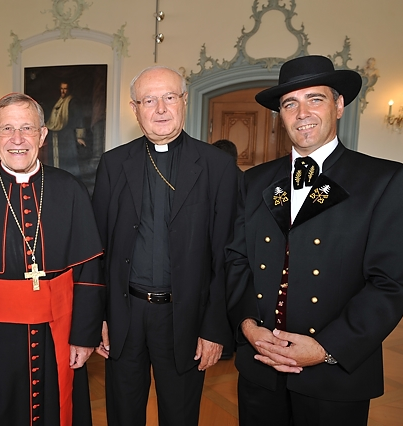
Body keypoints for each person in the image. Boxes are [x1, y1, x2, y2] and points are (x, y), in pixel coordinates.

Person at [225, 55, 403, 426]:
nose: (302, 114)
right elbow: (237, 260)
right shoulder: (255, 181)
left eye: (315, 99)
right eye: (290, 104)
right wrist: (248, 325)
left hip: (334, 373)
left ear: (339, 105)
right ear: (280, 115)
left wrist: (327, 348)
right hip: (261, 367)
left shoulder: (383, 180)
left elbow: (392, 281)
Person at [0, 93, 105, 426]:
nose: (17, 139)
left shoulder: (70, 189)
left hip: (57, 334)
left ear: (42, 135)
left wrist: (84, 334)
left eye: (27, 128)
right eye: (7, 129)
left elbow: (89, 271)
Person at [92, 66, 238, 426]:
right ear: (135, 108)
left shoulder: (218, 166)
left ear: (184, 101)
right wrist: (98, 317)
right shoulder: (113, 164)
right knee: (122, 415)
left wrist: (214, 328)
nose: (160, 108)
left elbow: (227, 256)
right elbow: (99, 249)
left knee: (180, 415)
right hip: (125, 315)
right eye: (149, 100)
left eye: (169, 97)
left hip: (185, 317)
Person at [44, 82, 86, 177]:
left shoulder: (73, 102)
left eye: (65, 89)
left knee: (67, 162)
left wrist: (79, 137)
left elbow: (78, 119)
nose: (63, 91)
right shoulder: (59, 101)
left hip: (67, 136)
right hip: (56, 136)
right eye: (62, 89)